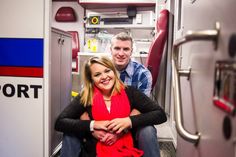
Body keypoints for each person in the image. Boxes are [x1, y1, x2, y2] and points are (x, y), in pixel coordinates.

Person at [59, 32, 162, 157]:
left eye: (126, 49)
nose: (121, 53)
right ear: (110, 50)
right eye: (117, 48)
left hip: (129, 125)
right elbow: (82, 106)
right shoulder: (98, 68)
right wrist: (92, 127)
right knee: (71, 131)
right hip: (96, 128)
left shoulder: (140, 78)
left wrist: (122, 126)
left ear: (131, 51)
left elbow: (142, 108)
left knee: (148, 130)